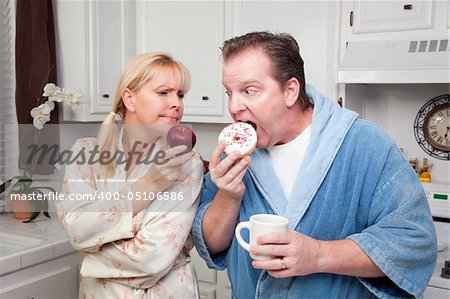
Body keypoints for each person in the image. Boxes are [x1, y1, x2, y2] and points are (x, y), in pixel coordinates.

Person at [192, 31, 437, 298]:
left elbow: (413, 243)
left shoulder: (365, 145)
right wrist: (228, 195)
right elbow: (211, 243)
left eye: (249, 91)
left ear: (290, 91)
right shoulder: (235, 157)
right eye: (229, 92)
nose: (234, 106)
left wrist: (319, 255)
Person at [56, 53, 203, 298]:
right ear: (130, 99)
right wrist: (149, 185)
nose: (176, 103)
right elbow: (76, 227)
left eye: (180, 94)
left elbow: (150, 261)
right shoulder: (86, 152)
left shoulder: (186, 163)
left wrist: (91, 252)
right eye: (163, 92)